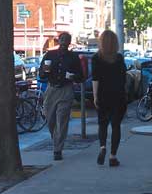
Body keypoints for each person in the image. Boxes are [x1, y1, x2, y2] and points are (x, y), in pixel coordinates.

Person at [39, 32, 83, 161]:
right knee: (50, 118)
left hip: (66, 90)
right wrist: (45, 71)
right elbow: (41, 74)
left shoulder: (73, 57)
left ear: (69, 42)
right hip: (51, 89)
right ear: (58, 41)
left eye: (67, 40)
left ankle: (57, 149)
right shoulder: (49, 55)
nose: (64, 42)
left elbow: (81, 76)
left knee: (62, 120)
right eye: (62, 39)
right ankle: (56, 140)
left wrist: (73, 76)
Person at [91, 30, 127, 167]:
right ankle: (113, 156)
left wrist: (95, 96)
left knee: (102, 123)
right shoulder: (119, 58)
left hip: (102, 94)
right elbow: (123, 78)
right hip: (118, 95)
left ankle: (102, 147)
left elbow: (95, 78)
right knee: (116, 125)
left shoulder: (96, 58)